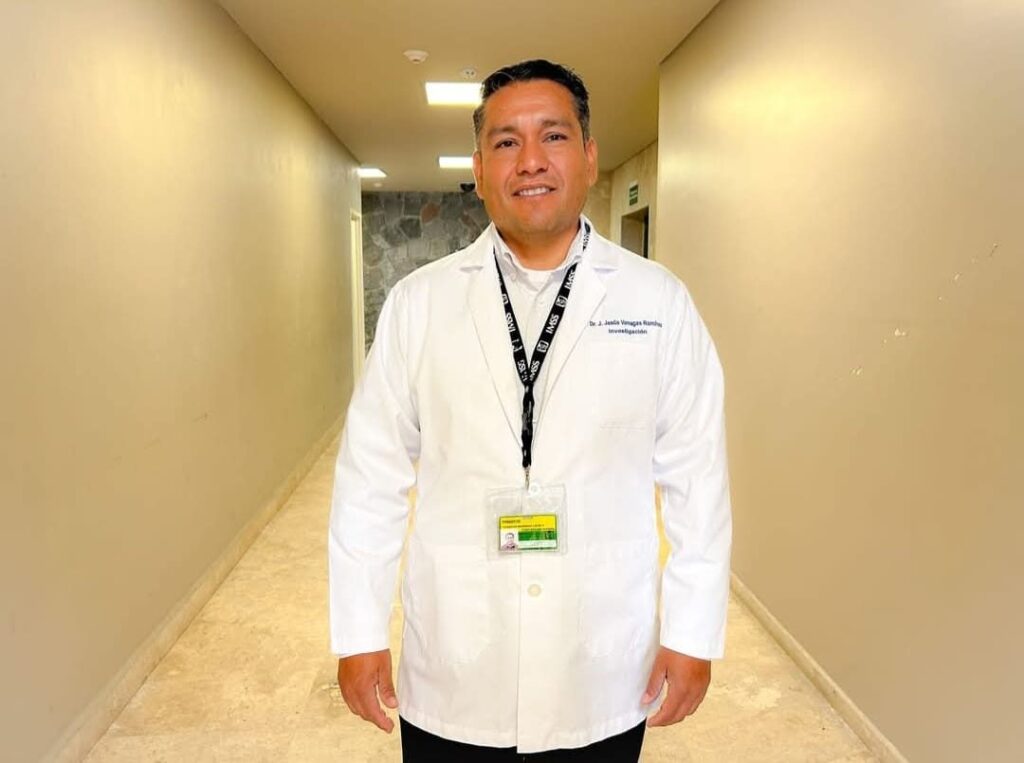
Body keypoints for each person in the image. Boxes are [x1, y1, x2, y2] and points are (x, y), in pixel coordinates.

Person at [329, 59, 732, 761]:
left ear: (589, 157)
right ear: (480, 169)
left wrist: (693, 631)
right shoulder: (419, 304)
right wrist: (360, 630)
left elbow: (698, 479)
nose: (531, 161)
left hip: (601, 665)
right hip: (458, 660)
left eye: (553, 136)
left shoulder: (657, 302)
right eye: (506, 142)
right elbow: (371, 477)